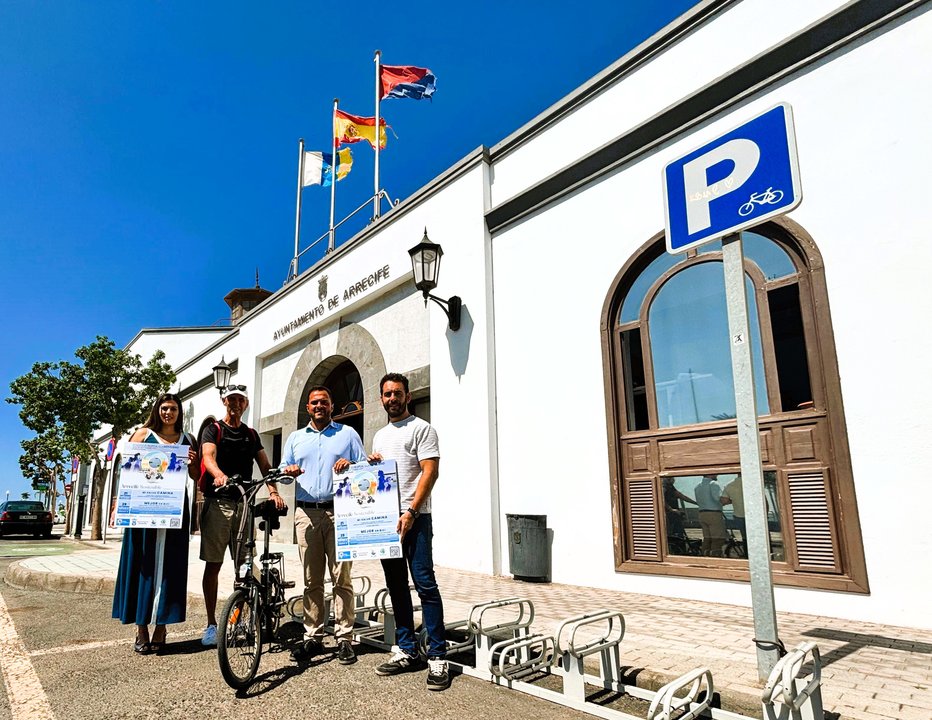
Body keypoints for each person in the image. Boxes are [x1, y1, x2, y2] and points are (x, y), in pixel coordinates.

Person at [368, 373, 448, 691]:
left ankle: (438, 657)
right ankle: (406, 650)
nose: (392, 399)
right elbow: (379, 480)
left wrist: (412, 512)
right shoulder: (379, 436)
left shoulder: (422, 429)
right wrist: (371, 464)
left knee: (425, 585)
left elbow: (431, 471)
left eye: (397, 393)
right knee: (397, 587)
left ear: (407, 395)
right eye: (387, 394)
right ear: (382, 398)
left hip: (416, 520)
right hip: (387, 522)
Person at [280, 385, 366, 665]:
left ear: (331, 406)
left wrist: (350, 465)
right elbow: (282, 473)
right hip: (306, 513)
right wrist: (287, 472)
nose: (319, 406)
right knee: (311, 579)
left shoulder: (347, 434)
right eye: (315, 402)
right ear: (308, 407)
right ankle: (313, 637)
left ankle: (345, 639)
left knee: (342, 577)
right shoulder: (295, 438)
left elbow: (365, 467)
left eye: (324, 402)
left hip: (340, 511)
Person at [111, 393, 199, 654]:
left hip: (173, 510)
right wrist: (119, 500)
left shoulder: (187, 440)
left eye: (172, 409)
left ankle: (162, 626)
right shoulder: (142, 434)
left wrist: (193, 464)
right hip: (142, 509)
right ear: (157, 410)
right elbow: (126, 470)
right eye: (164, 408)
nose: (168, 413)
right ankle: (141, 627)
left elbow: (195, 476)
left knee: (171, 567)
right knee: (142, 565)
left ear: (179, 412)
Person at [198, 384, 284, 646]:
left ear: (245, 405)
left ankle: (240, 617)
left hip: (244, 504)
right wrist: (218, 474)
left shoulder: (251, 434)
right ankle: (212, 624)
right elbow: (208, 456)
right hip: (219, 502)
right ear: (224, 402)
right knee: (213, 564)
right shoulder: (215, 429)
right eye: (231, 400)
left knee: (245, 567)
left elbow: (265, 465)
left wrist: (273, 491)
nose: (235, 404)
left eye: (240, 401)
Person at [695, 474, 727, 557]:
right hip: (713, 513)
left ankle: (705, 557)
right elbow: (719, 499)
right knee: (717, 539)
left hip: (702, 513)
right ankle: (715, 557)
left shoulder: (697, 487)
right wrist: (730, 501)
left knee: (707, 539)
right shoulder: (713, 484)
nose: (717, 475)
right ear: (710, 474)